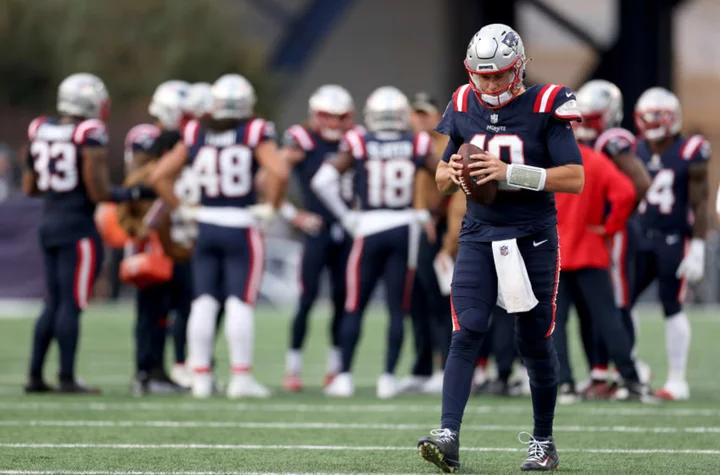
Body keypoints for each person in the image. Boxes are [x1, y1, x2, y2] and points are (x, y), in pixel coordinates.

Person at [415, 24, 584, 472]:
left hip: (532, 237)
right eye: (482, 75)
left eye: (499, 75)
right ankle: (448, 435)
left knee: (533, 341)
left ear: (519, 68)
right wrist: (453, 173)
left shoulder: (548, 101)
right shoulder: (463, 101)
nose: (489, 85)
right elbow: (440, 182)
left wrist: (510, 173)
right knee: (467, 328)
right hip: (478, 235)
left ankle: (543, 442)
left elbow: (575, 177)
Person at [151, 74, 289, 398]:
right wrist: (271, 205)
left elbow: (160, 176)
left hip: (206, 222)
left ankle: (200, 376)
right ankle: (240, 378)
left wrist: (182, 208)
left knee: (203, 301)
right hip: (241, 223)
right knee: (239, 301)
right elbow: (280, 171)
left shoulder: (196, 130)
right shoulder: (253, 130)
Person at [23, 73, 154, 394]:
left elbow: (31, 187)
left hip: (49, 221)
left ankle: (35, 375)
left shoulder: (40, 127)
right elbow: (97, 191)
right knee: (71, 303)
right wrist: (132, 194)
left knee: (52, 302)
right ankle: (67, 378)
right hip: (77, 228)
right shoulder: (88, 133)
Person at [311, 86, 438, 399]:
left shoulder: (359, 142)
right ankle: (386, 378)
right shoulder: (417, 142)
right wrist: (425, 212)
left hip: (367, 227)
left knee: (355, 306)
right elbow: (445, 176)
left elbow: (321, 181)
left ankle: (344, 376)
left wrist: (345, 217)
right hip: (403, 227)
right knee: (398, 308)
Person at [554, 142, 651, 402]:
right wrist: (610, 227)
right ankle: (630, 378)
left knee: (556, 323)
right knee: (608, 319)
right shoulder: (595, 160)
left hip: (554, 252)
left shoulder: (547, 157)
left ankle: (564, 383)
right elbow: (626, 192)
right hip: (590, 249)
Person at [574, 79, 652, 396]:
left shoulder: (613, 140)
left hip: (613, 233)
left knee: (616, 303)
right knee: (593, 306)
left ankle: (624, 371)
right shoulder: (581, 141)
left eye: (592, 118)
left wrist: (612, 222)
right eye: (582, 118)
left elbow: (640, 183)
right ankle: (599, 373)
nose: (585, 125)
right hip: (590, 233)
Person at [632, 87, 710, 401]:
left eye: (657, 116)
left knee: (672, 306)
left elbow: (701, 201)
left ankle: (678, 379)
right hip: (640, 237)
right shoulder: (634, 149)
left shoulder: (691, 150)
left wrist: (699, 247)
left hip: (674, 240)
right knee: (622, 304)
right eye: (646, 116)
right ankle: (634, 367)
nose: (651, 122)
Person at [280, 84, 356, 392]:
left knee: (342, 300)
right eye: (328, 116)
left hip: (348, 229)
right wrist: (292, 214)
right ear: (315, 115)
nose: (335, 124)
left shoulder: (356, 139)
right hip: (316, 229)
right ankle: (293, 368)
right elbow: (271, 176)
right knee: (306, 299)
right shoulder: (301, 139)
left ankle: (335, 368)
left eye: (341, 117)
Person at [400, 91, 453, 395]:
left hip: (441, 229)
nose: (420, 119)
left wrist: (435, 215)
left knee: (439, 301)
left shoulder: (445, 144)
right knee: (417, 301)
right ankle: (421, 367)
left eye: (425, 113)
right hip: (416, 227)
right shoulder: (411, 144)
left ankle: (445, 366)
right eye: (415, 113)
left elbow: (456, 186)